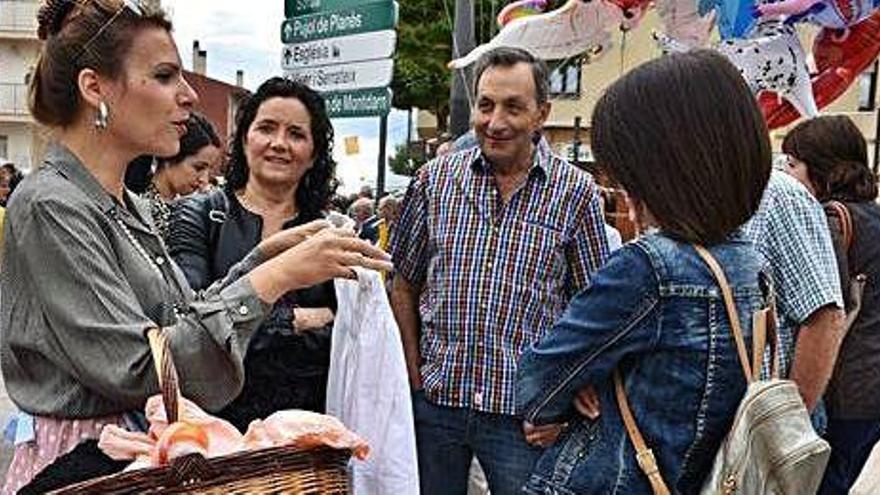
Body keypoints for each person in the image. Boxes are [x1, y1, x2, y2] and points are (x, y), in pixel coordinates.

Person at [0, 1, 390, 491]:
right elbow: (143, 369)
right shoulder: (51, 206)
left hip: (145, 460)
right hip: (90, 468)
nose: (187, 96)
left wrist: (265, 259)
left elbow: (181, 320)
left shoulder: (122, 204)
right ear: (94, 87)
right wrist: (274, 279)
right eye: (164, 76)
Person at [517, 50, 772, 494]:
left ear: (657, 167)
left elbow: (536, 384)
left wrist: (587, 383)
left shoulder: (648, 267)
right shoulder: (747, 262)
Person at [390, 46, 610, 495]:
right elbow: (403, 281)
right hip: (436, 404)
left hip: (524, 416)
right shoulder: (434, 181)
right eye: (485, 105)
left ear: (542, 113)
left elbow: (592, 311)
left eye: (513, 107)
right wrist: (412, 373)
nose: (495, 121)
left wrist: (562, 398)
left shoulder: (577, 193)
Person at [168, 77, 340, 431]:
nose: (279, 143)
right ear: (245, 139)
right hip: (215, 424)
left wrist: (246, 321)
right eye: (266, 128)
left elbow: (348, 335)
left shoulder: (330, 233)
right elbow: (190, 323)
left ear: (314, 155)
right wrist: (297, 319)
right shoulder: (199, 214)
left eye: (296, 134)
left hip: (307, 430)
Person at [778, 115, 880, 494]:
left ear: (820, 168)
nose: (787, 174)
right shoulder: (874, 217)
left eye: (792, 163)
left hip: (840, 388)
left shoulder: (830, 219)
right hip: (870, 390)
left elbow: (823, 309)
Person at [143, 112, 221, 239]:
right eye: (198, 168)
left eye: (209, 170)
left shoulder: (191, 207)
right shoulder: (142, 208)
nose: (204, 180)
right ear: (170, 158)